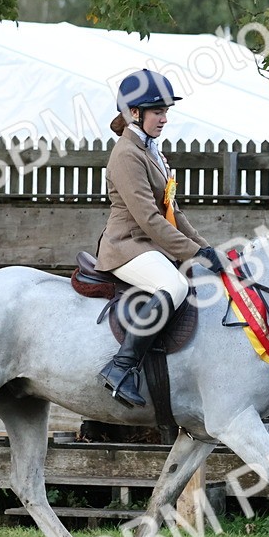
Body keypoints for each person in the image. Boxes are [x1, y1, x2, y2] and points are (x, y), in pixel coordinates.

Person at [94, 69, 224, 408]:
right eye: (158, 111)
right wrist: (193, 253)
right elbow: (149, 220)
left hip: (148, 244)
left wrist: (206, 248)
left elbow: (173, 213)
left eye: (166, 111)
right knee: (176, 286)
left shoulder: (152, 151)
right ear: (134, 112)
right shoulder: (126, 154)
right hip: (127, 246)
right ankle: (120, 367)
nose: (165, 118)